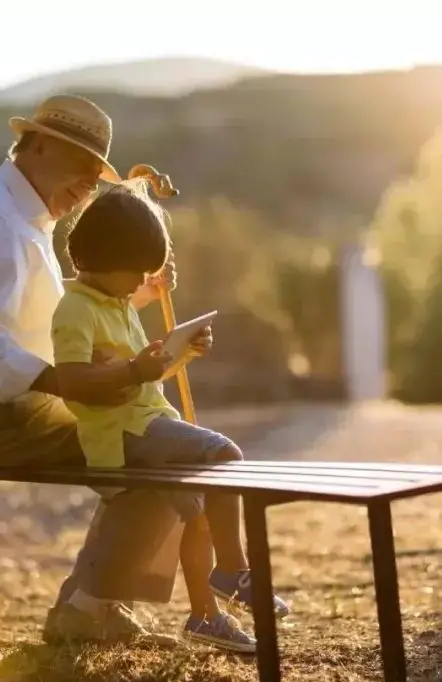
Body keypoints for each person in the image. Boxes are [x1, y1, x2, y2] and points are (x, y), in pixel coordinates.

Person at [0, 94, 202, 645]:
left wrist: (130, 293)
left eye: (96, 176)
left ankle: (92, 603)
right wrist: (71, 383)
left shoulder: (24, 218)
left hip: (18, 403)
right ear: (39, 144)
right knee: (157, 446)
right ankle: (88, 606)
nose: (89, 187)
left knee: (156, 440)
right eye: (82, 168)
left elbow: (56, 324)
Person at [49, 180, 290, 652]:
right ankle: (232, 570)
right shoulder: (74, 310)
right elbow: (72, 382)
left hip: (144, 420)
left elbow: (141, 376)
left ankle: (204, 615)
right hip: (119, 434)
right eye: (135, 271)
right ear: (102, 260)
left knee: (196, 512)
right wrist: (136, 367)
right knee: (222, 452)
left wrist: (179, 355)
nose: (143, 282)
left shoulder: (116, 304)